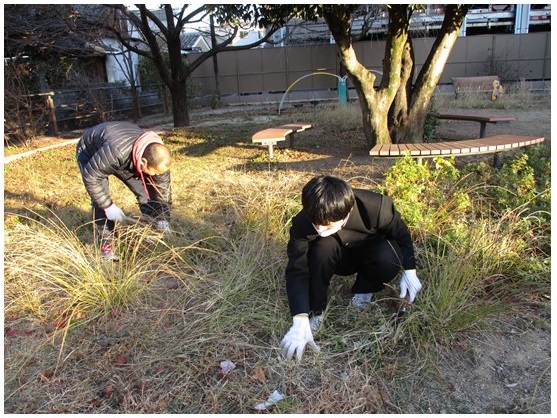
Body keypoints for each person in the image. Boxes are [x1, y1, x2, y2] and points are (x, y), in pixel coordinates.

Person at [280, 175, 422, 361]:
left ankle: (365, 290)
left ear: (346, 212)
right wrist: (299, 315)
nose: (320, 229)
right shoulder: (303, 222)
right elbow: (297, 269)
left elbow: (401, 235)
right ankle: (317, 311)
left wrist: (410, 270)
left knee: (389, 255)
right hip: (334, 257)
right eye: (316, 225)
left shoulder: (377, 207)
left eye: (327, 225)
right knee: (322, 245)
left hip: (371, 253)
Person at [76, 121, 172, 260]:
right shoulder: (116, 153)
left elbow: (162, 190)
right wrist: (108, 206)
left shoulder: (159, 158)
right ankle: (106, 247)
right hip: (91, 151)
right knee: (100, 201)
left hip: (126, 154)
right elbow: (91, 177)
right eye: (155, 173)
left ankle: (154, 233)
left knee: (145, 194)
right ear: (143, 163)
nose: (157, 176)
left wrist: (164, 218)